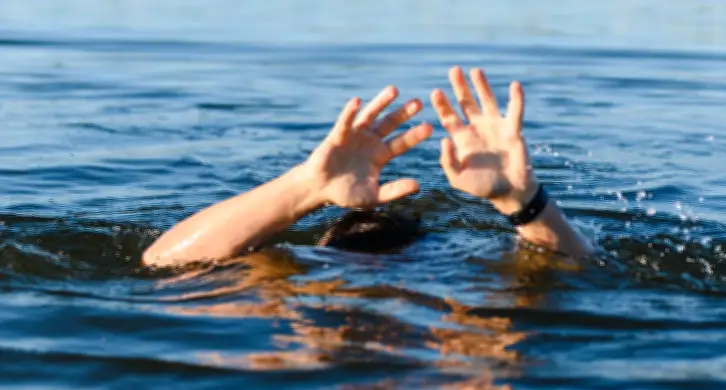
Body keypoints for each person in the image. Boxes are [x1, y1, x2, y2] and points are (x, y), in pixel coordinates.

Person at [141, 67, 591, 267]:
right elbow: (573, 278)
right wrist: (524, 204)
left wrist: (303, 190)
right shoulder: (457, 297)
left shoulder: (292, 277)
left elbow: (164, 266)